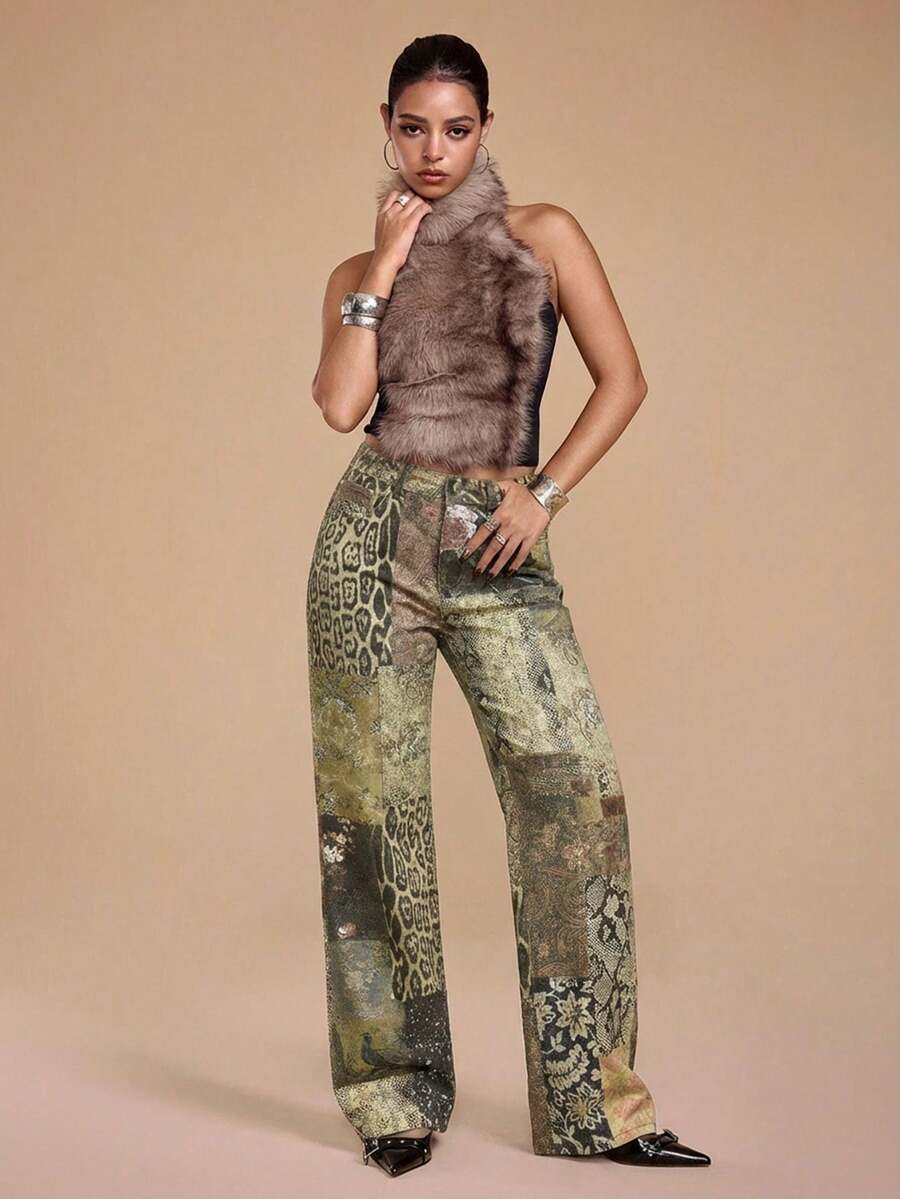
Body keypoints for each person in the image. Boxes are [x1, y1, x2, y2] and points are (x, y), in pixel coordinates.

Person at [306, 33, 711, 1178]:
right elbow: (339, 406)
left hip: (498, 541)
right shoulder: (355, 270)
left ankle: (597, 1106)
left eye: (457, 128)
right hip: (370, 544)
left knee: (572, 798)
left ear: (485, 127)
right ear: (386, 126)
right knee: (371, 819)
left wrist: (546, 495)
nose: (434, 151)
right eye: (413, 128)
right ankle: (393, 1096)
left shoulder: (544, 234)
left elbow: (624, 377)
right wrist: (387, 262)